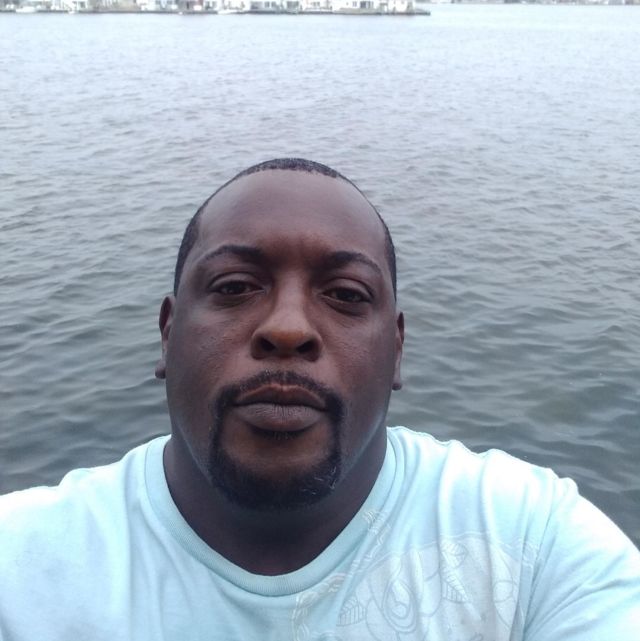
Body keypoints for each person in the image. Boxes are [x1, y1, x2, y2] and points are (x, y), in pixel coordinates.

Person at [1, 158, 638, 640]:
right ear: (169, 334)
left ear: (396, 349)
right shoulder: (20, 564)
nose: (287, 329)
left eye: (346, 295)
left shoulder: (533, 544)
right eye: (234, 286)